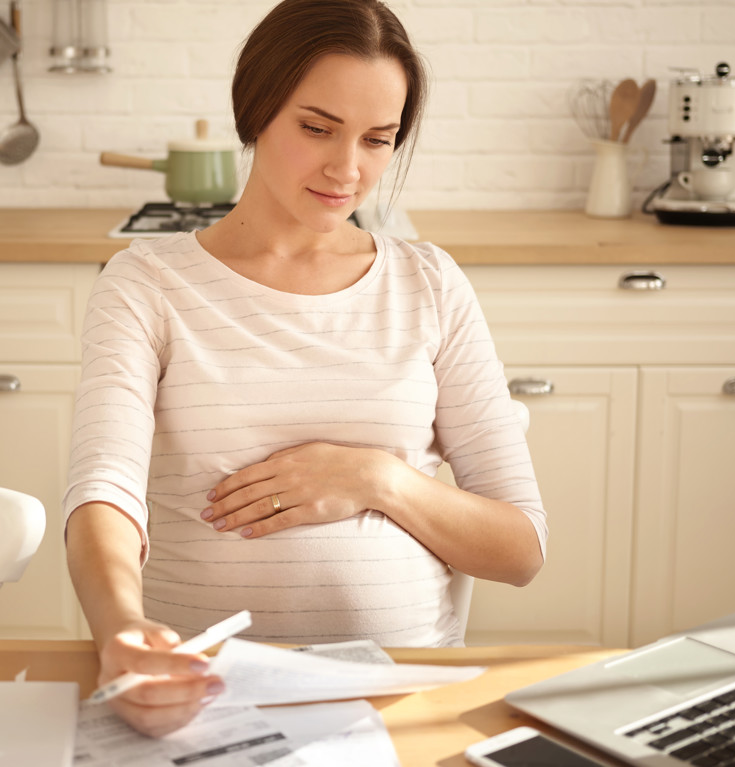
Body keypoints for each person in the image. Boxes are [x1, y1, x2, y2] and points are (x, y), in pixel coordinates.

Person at [64, 0, 547, 738]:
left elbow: (518, 549)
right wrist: (121, 630)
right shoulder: (147, 283)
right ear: (256, 110)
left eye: (378, 139)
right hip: (200, 692)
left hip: (400, 699)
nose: (346, 168)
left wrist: (374, 478)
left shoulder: (429, 282)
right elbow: (105, 493)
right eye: (316, 127)